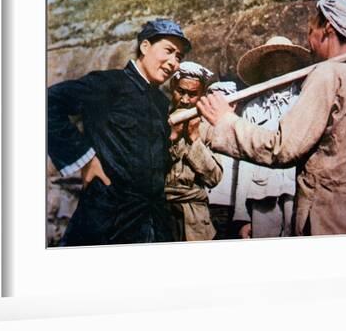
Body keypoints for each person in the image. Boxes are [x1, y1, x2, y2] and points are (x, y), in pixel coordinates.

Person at [197, 0, 346, 236]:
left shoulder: (328, 74)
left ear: (328, 29)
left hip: (328, 219)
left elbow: (282, 147)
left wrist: (225, 122)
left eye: (311, 31)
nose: (310, 41)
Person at [48, 19, 191, 246]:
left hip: (153, 223)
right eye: (169, 51)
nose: (174, 62)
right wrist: (85, 159)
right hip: (106, 222)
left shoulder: (161, 103)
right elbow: (48, 103)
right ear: (145, 47)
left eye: (179, 57)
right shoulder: (107, 84)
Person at [233, 37, 310, 238]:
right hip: (261, 195)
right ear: (263, 69)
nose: (278, 67)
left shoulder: (306, 101)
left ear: (294, 65)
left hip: (298, 192)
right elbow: (244, 163)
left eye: (284, 60)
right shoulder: (253, 109)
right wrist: (242, 216)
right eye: (271, 62)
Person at [165, 62, 223, 241]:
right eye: (180, 91)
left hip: (195, 218)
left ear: (202, 95)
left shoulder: (210, 128)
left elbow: (214, 178)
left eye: (192, 94)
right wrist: (171, 138)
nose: (184, 99)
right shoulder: (158, 122)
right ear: (172, 87)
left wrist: (194, 138)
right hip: (159, 212)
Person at [205, 81, 239, 240]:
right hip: (204, 204)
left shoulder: (239, 130)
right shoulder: (201, 128)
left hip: (227, 204)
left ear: (232, 105)